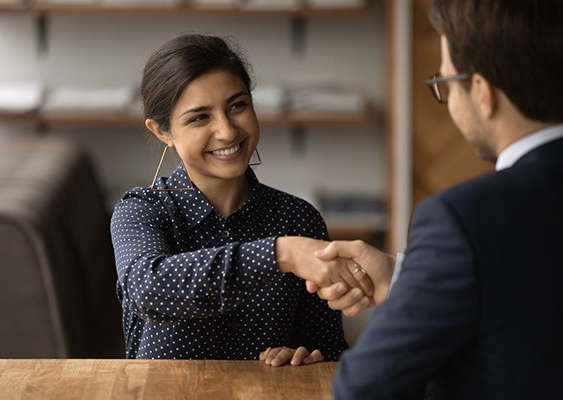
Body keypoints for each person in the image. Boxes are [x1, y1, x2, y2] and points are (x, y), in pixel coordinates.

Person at [306, 0, 563, 398]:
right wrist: (407, 276)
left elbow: (365, 386)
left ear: (482, 92)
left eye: (445, 85)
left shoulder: (463, 218)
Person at [110, 33, 371, 366]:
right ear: (162, 132)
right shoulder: (141, 210)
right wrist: (280, 254)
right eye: (199, 117)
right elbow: (150, 289)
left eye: (237, 106)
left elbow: (330, 350)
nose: (228, 131)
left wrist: (308, 358)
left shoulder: (298, 219)